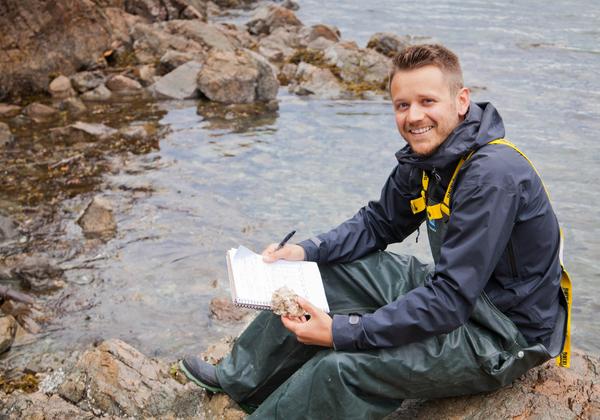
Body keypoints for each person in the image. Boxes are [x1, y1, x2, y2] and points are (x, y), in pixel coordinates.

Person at [180, 44, 570, 419]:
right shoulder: (428, 159)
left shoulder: (492, 176)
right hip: (460, 295)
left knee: (343, 367)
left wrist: (342, 331)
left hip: (500, 333)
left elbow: (450, 300)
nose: (414, 116)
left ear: (461, 100)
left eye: (427, 101)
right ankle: (241, 380)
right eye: (403, 105)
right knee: (321, 273)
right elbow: (377, 223)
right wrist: (304, 251)